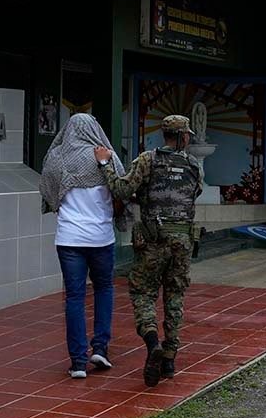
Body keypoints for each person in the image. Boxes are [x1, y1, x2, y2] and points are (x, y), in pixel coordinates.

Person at [95, 115, 201, 387]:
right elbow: (193, 194)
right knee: (175, 297)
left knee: (143, 292)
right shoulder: (193, 165)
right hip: (183, 243)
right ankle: (169, 359)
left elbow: (121, 188)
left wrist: (105, 164)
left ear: (164, 134)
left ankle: (152, 341)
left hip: (153, 241)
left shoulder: (147, 159)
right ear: (184, 137)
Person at [41, 113, 128, 379]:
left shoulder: (56, 159)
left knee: (75, 298)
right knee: (104, 290)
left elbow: (47, 192)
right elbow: (123, 191)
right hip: (101, 238)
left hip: (68, 239)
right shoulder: (107, 157)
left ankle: (78, 362)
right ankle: (100, 348)